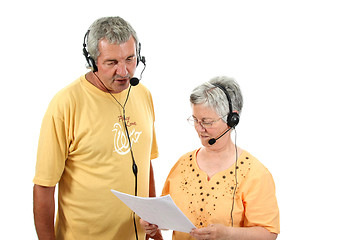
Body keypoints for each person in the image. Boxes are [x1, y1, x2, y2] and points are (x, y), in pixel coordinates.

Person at [33, 16, 162, 240]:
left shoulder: (143, 94)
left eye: (130, 59)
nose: (124, 71)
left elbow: (144, 163)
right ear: (92, 60)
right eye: (112, 62)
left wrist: (155, 229)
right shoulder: (65, 104)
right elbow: (44, 187)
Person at [141, 76, 280, 240]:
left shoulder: (255, 173)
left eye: (207, 122)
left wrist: (227, 234)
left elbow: (268, 233)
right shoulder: (182, 164)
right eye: (195, 120)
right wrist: (152, 224)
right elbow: (167, 215)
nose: (199, 129)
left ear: (231, 120)